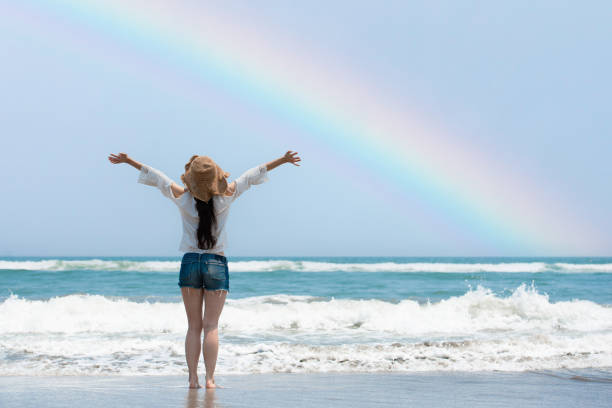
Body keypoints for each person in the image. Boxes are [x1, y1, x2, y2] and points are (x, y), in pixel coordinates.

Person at [107, 151, 301, 388]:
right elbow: (252, 175)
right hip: (216, 263)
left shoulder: (182, 197)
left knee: (193, 326)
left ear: (191, 180)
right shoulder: (227, 196)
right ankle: (210, 379)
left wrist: (128, 161)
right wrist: (282, 160)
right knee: (211, 326)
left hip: (190, 262)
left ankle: (192, 378)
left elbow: (157, 177)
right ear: (216, 178)